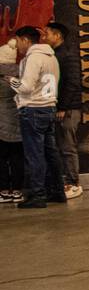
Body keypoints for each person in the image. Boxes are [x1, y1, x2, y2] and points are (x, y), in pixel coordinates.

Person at [9, 25, 66, 209]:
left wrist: (10, 80)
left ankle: (37, 195)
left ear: (25, 40)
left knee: (34, 155)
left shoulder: (33, 58)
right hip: (49, 108)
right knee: (51, 153)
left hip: (33, 109)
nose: (17, 46)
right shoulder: (51, 58)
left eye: (17, 41)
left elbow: (25, 87)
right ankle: (57, 191)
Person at [43, 21, 83, 198]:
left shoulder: (67, 54)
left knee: (67, 147)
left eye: (47, 34)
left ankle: (73, 183)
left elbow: (72, 83)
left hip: (68, 109)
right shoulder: (55, 54)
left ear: (57, 35)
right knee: (60, 146)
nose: (45, 37)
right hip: (60, 107)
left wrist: (63, 107)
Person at [0, 39, 24, 203]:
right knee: (17, 157)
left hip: (0, 121)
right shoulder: (21, 72)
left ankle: (3, 190)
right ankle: (17, 190)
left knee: (1, 157)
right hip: (18, 118)